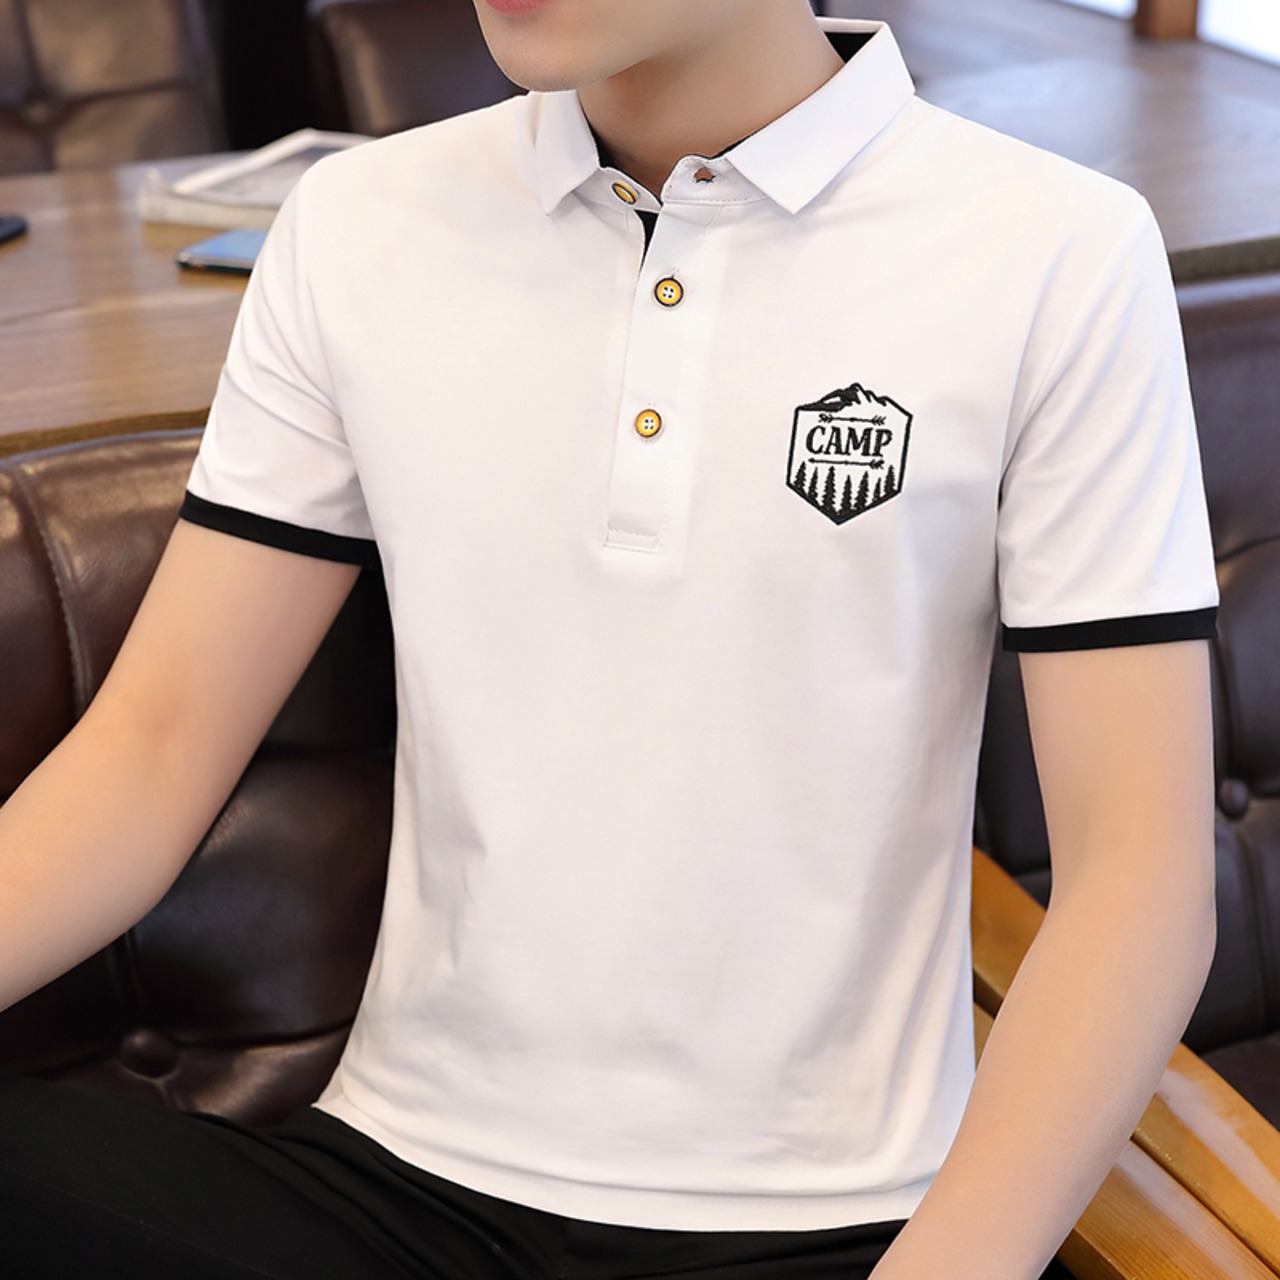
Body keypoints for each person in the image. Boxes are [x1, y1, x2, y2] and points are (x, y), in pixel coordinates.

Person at [0, 2, 1220, 1278]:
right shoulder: (358, 224)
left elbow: (1135, 876)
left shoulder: (1051, 250)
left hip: (830, 1221)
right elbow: (152, 748)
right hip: (393, 1184)